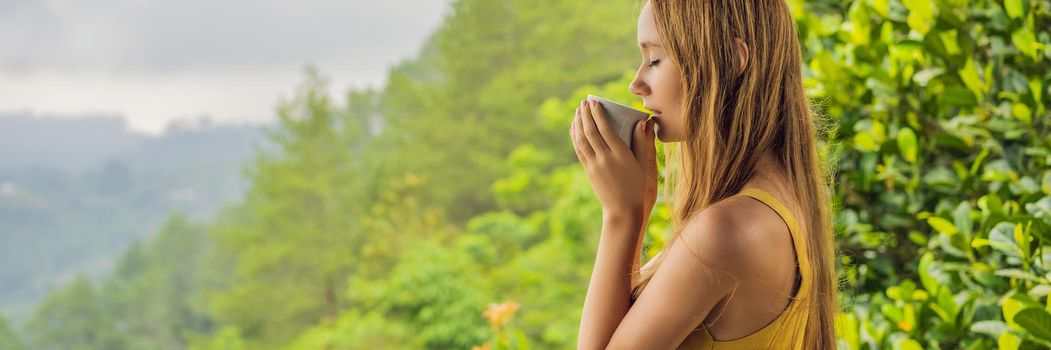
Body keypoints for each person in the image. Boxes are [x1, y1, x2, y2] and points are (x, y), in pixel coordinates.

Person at [568, 0, 839, 348]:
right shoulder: (778, 203)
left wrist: (623, 215)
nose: (637, 84)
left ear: (732, 59)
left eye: (654, 60)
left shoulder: (727, 231)